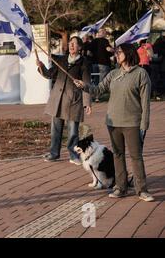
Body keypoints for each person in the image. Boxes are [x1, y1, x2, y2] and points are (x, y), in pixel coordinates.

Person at [74, 43, 154, 202]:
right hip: (113, 123)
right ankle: (120, 187)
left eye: (119, 52)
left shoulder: (141, 74)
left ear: (129, 53)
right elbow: (98, 90)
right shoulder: (113, 73)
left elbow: (145, 103)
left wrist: (144, 126)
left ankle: (142, 190)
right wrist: (84, 86)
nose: (116, 55)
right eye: (116, 53)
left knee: (136, 157)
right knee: (117, 155)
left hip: (133, 123)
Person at [36, 36, 92, 164]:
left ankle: (73, 155)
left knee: (73, 130)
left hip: (73, 100)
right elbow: (50, 74)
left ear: (80, 47)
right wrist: (41, 66)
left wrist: (87, 102)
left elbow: (86, 83)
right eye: (70, 43)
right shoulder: (61, 60)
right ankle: (54, 153)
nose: (71, 46)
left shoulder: (84, 63)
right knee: (55, 128)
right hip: (57, 100)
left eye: (74, 44)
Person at [88, 29, 114, 102]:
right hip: (104, 63)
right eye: (105, 33)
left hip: (94, 63)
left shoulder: (93, 41)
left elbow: (88, 53)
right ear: (103, 34)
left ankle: (94, 96)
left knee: (95, 80)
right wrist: (114, 50)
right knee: (102, 81)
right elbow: (108, 49)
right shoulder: (104, 41)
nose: (105, 34)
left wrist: (94, 57)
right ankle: (98, 97)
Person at [151, 36, 165, 100]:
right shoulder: (162, 46)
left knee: (157, 80)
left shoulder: (154, 47)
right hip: (161, 66)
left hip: (157, 66)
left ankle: (157, 94)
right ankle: (160, 94)